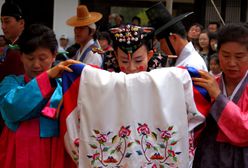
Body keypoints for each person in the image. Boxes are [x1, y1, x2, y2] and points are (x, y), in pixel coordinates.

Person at [0, 24, 79, 168]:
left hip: (54, 152)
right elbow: (11, 108)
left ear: (54, 55)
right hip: (17, 153)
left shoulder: (65, 87)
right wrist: (47, 77)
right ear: (21, 56)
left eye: (43, 58)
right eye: (30, 58)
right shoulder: (10, 83)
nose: (36, 65)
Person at [192, 23, 248, 167]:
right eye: (226, 55)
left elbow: (245, 129)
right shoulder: (208, 84)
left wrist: (218, 96)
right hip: (209, 157)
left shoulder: (213, 88)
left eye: (239, 56)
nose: (231, 63)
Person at [146, 2, 207, 71]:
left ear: (173, 38)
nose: (162, 48)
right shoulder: (184, 60)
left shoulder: (192, 65)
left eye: (162, 43)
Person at [0, 1, 25, 81]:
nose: (3, 27)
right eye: (2, 22)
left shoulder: (21, 49)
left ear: (21, 23)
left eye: (7, 21)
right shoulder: (12, 46)